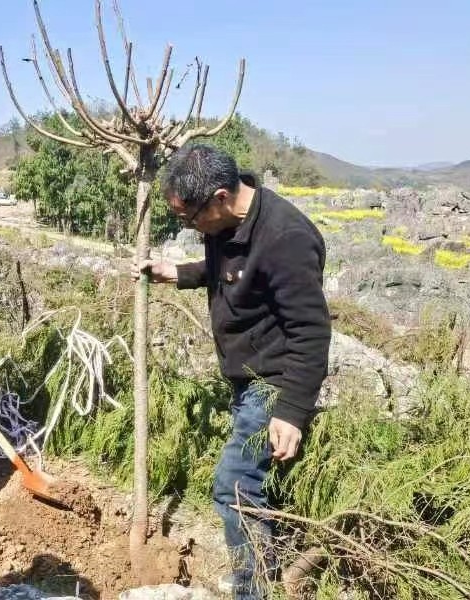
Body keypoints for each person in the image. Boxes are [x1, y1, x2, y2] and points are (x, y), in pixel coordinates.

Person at [134, 145, 331, 599]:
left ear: (220, 197)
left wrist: (291, 411)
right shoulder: (228, 221)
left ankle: (253, 588)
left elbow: (311, 331)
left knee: (234, 487)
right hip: (246, 375)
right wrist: (176, 272)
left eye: (189, 218)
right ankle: (264, 565)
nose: (189, 226)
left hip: (274, 381)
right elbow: (231, 270)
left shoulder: (286, 238)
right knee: (251, 483)